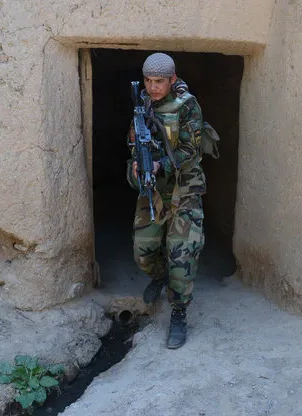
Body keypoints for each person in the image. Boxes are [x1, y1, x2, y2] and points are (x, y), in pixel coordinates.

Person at [127, 52, 206, 349]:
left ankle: (179, 312)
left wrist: (163, 163)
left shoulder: (187, 106)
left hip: (185, 190)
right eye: (148, 81)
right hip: (154, 191)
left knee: (182, 255)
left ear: (172, 79)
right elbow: (133, 147)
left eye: (159, 81)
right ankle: (160, 277)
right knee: (143, 251)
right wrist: (138, 168)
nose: (153, 87)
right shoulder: (142, 106)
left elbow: (191, 150)